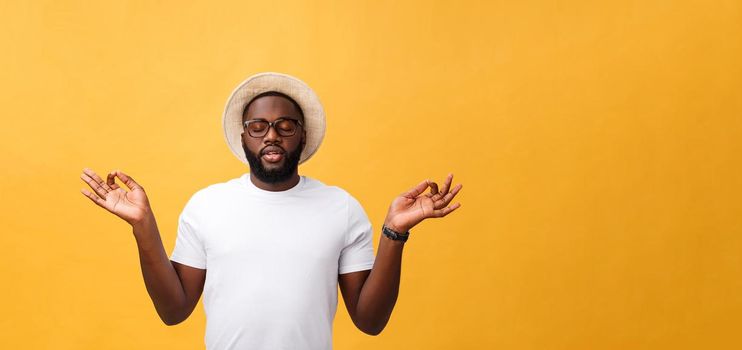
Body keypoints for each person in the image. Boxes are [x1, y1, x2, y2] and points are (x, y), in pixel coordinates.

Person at [78, 72, 462, 350]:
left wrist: (394, 232)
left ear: (303, 135)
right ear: (243, 137)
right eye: (258, 126)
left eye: (284, 126)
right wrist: (143, 227)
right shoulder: (207, 206)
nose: (272, 135)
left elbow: (370, 321)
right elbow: (174, 310)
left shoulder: (341, 208)